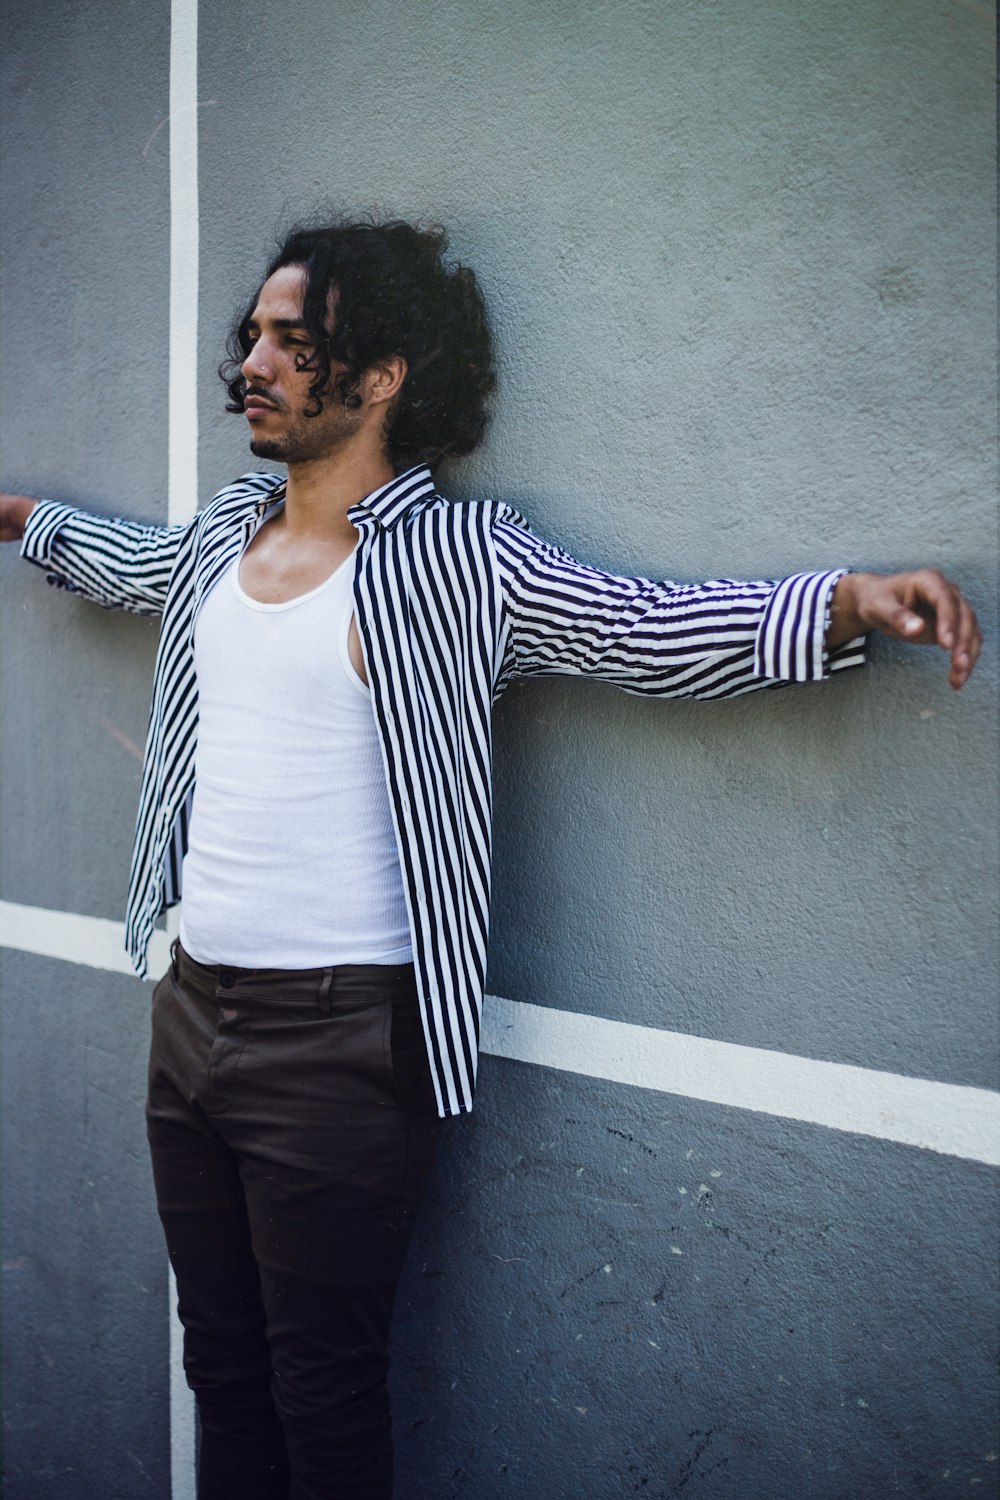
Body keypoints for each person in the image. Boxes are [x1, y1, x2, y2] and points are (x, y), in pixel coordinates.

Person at [0, 217, 981, 1500]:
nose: (255, 361)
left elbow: (641, 627)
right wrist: (23, 521)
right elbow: (126, 565)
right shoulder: (221, 537)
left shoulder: (460, 560)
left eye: (297, 344)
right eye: (254, 337)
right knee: (222, 1370)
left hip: (343, 1045)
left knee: (324, 1390)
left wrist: (843, 601)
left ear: (385, 373)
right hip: (191, 1012)